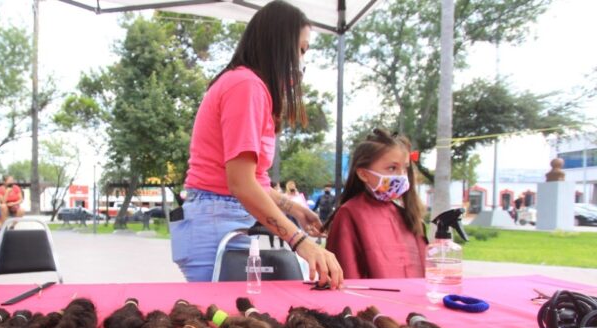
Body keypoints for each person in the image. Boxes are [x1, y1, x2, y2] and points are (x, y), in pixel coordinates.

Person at [169, 1, 343, 287]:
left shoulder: (247, 84)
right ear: (279, 43)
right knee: (219, 321)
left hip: (221, 217)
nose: (301, 60)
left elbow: (252, 180)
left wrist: (294, 208)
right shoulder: (246, 86)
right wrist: (301, 242)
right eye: (300, 50)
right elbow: (241, 184)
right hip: (217, 222)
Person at [324, 129, 427, 279]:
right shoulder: (350, 213)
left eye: (404, 168)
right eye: (392, 168)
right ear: (363, 174)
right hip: (371, 302)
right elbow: (347, 275)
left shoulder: (407, 214)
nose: (401, 176)